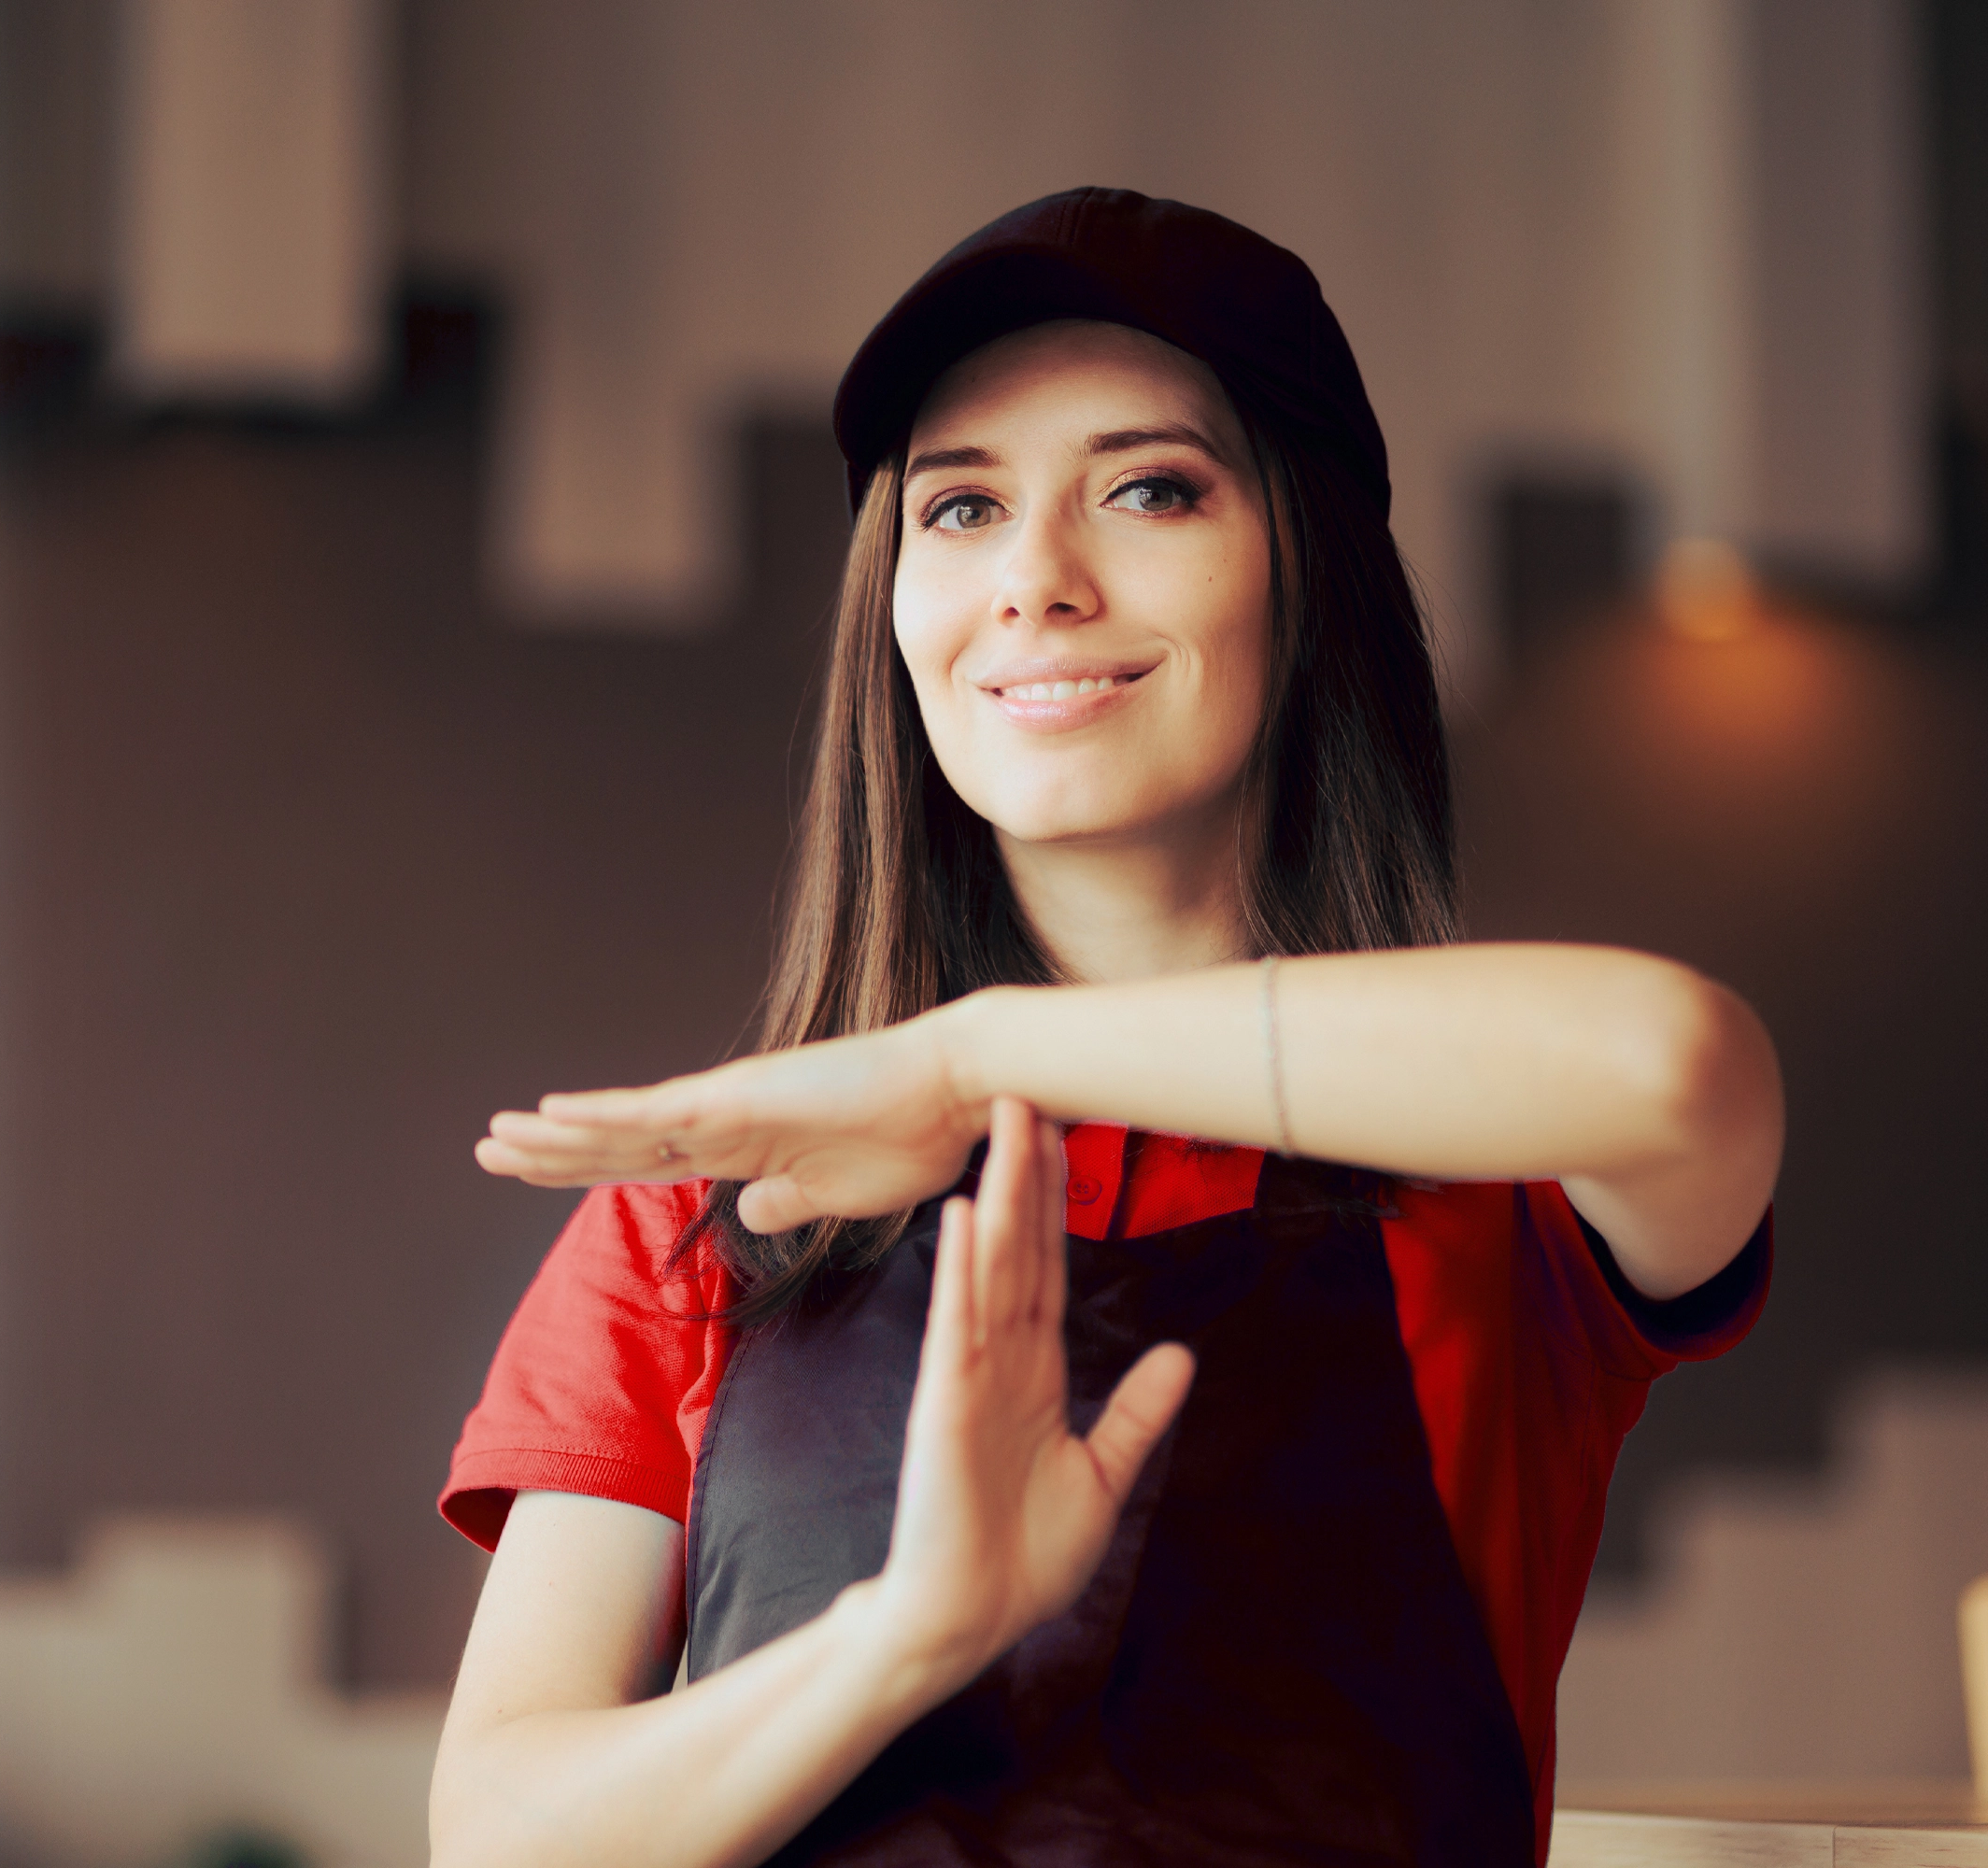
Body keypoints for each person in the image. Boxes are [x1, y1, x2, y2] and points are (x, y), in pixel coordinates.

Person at [422, 188, 1782, 1867]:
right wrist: (903, 1635)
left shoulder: (1498, 1169)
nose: (1036, 583)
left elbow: (1676, 1067)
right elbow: (504, 1837)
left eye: (1149, 489)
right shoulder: (707, 1211)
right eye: (961, 507)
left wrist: (975, 1057)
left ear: (1307, 568)